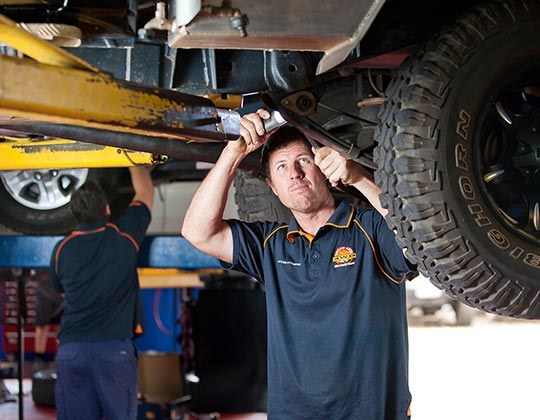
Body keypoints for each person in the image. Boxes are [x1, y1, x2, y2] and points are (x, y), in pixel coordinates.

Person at [181, 109, 417, 420]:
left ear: (324, 169)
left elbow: (418, 237)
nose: (294, 173)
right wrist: (233, 152)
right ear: (273, 186)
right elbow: (198, 232)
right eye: (282, 167)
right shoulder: (271, 244)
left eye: (303, 161)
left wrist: (359, 176)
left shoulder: (370, 229)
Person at [49, 166, 154, 420]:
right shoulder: (125, 236)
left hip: (72, 351)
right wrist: (134, 159)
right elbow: (146, 192)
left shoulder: (61, 250)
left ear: (75, 214)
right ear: (107, 209)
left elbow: (61, 292)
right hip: (113, 352)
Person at [33, 269, 65, 372]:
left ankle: (59, 358)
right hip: (44, 291)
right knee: (42, 327)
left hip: (60, 292)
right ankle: (39, 358)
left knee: (60, 328)